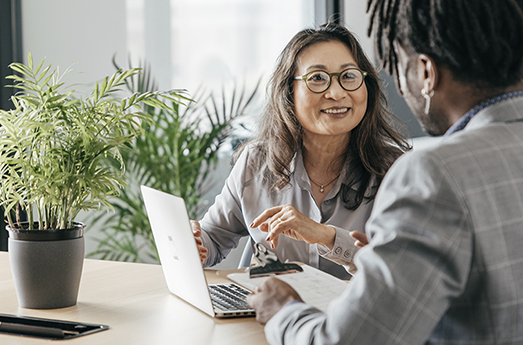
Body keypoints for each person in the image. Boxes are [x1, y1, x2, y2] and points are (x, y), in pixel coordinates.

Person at [246, 0, 523, 343]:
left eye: (398, 69)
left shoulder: (433, 174)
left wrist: (282, 309)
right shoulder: (257, 161)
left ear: (425, 72)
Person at [192, 23, 410, 280]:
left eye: (349, 76)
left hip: (347, 318)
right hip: (268, 314)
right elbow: (213, 238)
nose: (336, 93)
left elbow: (400, 270)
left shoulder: (397, 171)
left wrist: (327, 237)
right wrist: (195, 242)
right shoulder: (256, 162)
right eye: (317, 78)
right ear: (289, 93)